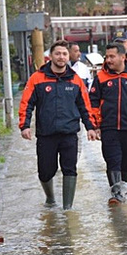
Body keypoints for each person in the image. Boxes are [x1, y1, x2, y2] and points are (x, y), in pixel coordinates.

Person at [19, 40, 98, 210]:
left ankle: (67, 209)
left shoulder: (75, 80)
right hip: (46, 134)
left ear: (68, 56)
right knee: (45, 171)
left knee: (70, 169)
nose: (61, 57)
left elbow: (85, 106)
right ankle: (50, 199)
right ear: (51, 57)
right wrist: (24, 126)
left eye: (64, 54)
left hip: (70, 133)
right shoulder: (37, 78)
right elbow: (26, 103)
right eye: (58, 54)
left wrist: (90, 127)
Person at [89, 42, 127, 204]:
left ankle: (125, 191)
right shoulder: (101, 77)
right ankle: (116, 194)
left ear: (122, 56)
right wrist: (95, 125)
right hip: (108, 127)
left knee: (126, 161)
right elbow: (93, 102)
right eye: (107, 56)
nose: (108, 60)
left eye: (112, 56)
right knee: (112, 159)